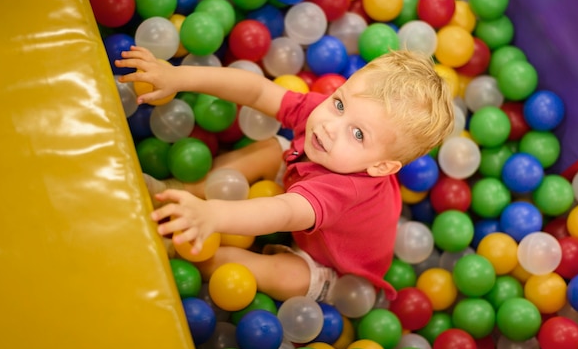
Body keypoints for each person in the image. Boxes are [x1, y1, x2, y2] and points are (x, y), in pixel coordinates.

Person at [115, 46, 454, 302]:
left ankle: (179, 246)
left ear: (381, 167)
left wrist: (212, 216)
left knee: (286, 276)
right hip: (304, 184)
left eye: (358, 134)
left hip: (331, 263)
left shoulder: (346, 189)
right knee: (268, 148)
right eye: (339, 103)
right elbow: (258, 90)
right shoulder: (327, 120)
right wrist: (179, 76)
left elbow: (281, 212)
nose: (331, 127)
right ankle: (178, 190)